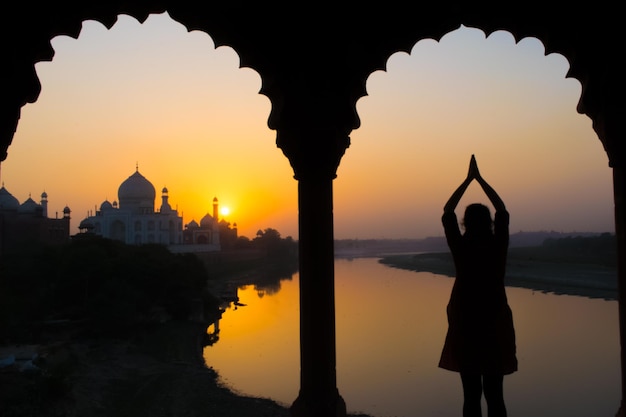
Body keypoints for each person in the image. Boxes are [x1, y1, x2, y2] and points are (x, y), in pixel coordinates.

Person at [438, 155, 517, 417]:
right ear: (490, 224)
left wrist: (467, 181)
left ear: (465, 224)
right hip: (494, 318)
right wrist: (481, 180)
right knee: (496, 394)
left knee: (470, 394)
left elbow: (447, 211)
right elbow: (503, 210)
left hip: (466, 320)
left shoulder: (461, 247)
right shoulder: (497, 246)